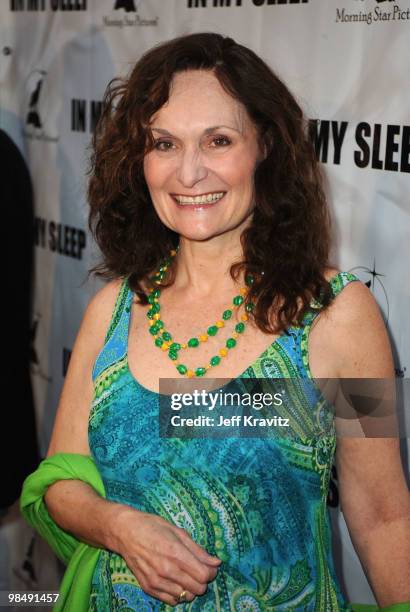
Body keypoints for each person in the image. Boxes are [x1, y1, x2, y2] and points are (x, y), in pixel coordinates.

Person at [20, 32, 410, 611]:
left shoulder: (335, 314)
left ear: (266, 148)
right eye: (164, 144)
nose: (189, 172)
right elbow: (59, 483)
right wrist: (118, 526)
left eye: (218, 140)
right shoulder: (112, 310)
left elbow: (382, 516)